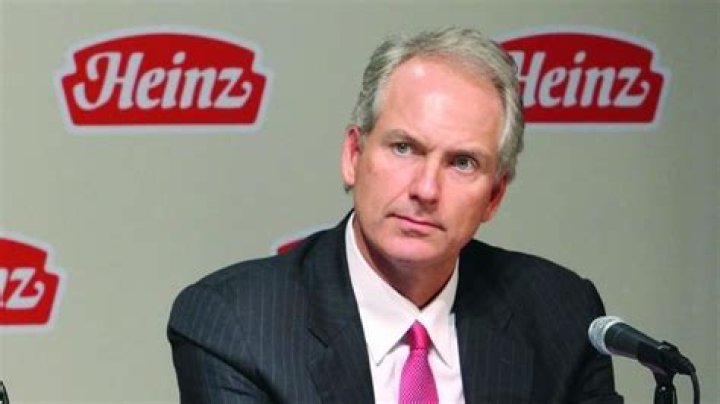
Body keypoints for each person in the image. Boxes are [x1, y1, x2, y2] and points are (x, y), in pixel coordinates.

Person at [168, 27, 623, 403]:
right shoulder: (238, 324)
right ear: (353, 155)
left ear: (495, 195)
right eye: (404, 148)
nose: (426, 189)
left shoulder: (560, 315)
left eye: (462, 163)